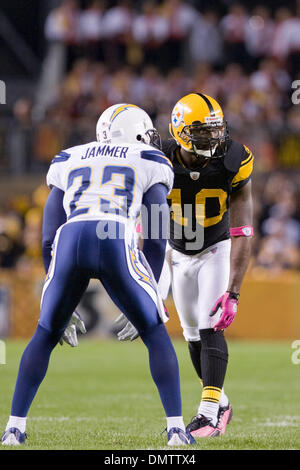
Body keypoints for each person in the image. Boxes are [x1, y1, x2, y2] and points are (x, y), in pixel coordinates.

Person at [1, 104, 195, 447]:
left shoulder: (70, 157)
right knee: (154, 330)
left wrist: (57, 295)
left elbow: (48, 235)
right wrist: (150, 293)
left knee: (45, 332)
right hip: (115, 235)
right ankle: (177, 429)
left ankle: (14, 428)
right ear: (137, 131)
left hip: (70, 237)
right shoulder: (150, 159)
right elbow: (155, 230)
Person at [117, 93, 254, 438]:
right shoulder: (157, 158)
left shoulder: (233, 159)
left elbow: (243, 231)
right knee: (191, 333)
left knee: (210, 326)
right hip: (175, 252)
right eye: (202, 131)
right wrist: (147, 283)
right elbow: (144, 226)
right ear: (180, 131)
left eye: (216, 129)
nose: (213, 138)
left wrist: (233, 293)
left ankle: (208, 414)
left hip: (215, 248)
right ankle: (221, 403)